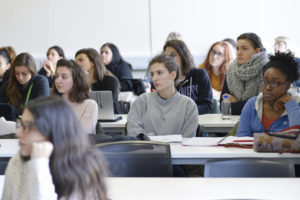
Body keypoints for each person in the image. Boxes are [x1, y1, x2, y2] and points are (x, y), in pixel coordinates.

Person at [2, 95, 108, 200]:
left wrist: (39, 164)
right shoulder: (17, 162)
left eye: (27, 127)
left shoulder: (82, 172)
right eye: (20, 125)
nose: (18, 133)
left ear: (52, 133)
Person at [127, 54, 198, 138]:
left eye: (159, 73)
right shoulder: (142, 101)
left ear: (173, 75)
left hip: (178, 151)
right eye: (152, 74)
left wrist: (152, 139)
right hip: (147, 150)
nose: (154, 78)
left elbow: (187, 139)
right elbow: (133, 132)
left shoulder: (188, 105)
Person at [237, 52, 300, 136]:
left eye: (275, 83)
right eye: (265, 81)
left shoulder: (297, 106)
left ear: (288, 85)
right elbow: (241, 139)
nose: (268, 87)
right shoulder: (252, 104)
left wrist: (291, 104)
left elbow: (298, 139)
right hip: (252, 149)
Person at [220, 32, 269, 115]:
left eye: (244, 49)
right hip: (233, 122)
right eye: (237, 49)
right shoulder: (231, 70)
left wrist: (236, 101)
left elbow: (263, 105)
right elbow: (223, 106)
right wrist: (247, 105)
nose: (239, 53)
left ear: (257, 51)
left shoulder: (268, 70)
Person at [163, 39, 213, 114]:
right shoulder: (164, 79)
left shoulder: (199, 75)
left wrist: (185, 111)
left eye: (173, 55)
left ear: (183, 56)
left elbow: (207, 106)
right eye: (167, 57)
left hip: (195, 121)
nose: (169, 59)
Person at [52, 59, 98, 134]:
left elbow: (83, 133)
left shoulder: (89, 105)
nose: (57, 81)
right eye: (56, 76)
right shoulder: (52, 104)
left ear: (76, 80)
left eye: (64, 77)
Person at [75, 48, 120, 113]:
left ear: (93, 62)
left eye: (81, 60)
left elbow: (107, 107)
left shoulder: (111, 81)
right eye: (75, 61)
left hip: (109, 119)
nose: (76, 64)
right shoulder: (76, 81)